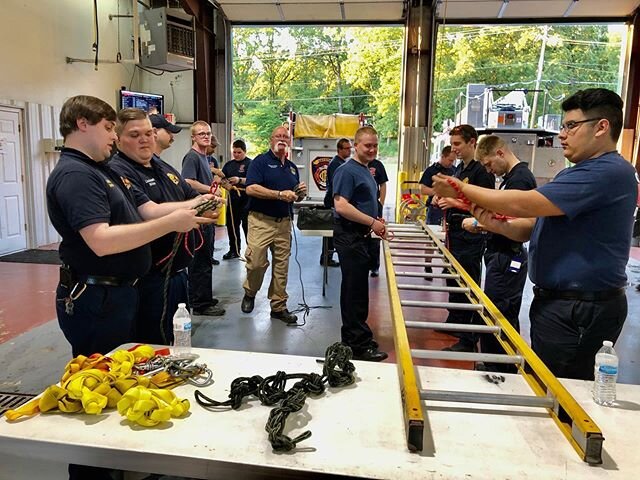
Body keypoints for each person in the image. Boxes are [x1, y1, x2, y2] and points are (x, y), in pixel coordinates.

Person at [46, 96, 214, 480]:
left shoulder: (100, 170)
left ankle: (121, 466)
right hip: (95, 298)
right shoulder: (77, 176)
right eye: (110, 128)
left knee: (118, 383)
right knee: (94, 392)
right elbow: (101, 240)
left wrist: (189, 208)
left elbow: (143, 210)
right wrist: (174, 224)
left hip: (118, 293)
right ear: (83, 124)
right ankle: (92, 474)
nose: (115, 136)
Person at [432, 88, 638, 380]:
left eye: (570, 126)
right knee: (548, 383)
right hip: (561, 304)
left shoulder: (607, 173)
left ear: (601, 127)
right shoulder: (575, 173)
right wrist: (484, 216)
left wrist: (461, 188)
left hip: (581, 307)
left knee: (562, 390)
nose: (562, 135)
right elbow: (529, 225)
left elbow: (524, 203)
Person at [110, 110, 218, 345]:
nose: (144, 139)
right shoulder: (119, 171)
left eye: (148, 133)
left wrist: (208, 205)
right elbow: (147, 211)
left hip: (177, 275)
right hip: (147, 279)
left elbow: (191, 195)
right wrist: (195, 204)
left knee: (176, 342)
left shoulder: (162, 167)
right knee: (150, 346)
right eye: (135, 134)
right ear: (118, 139)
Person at [461, 135, 537, 372]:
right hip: (501, 255)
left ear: (500, 153)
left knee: (498, 314)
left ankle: (499, 368)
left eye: (489, 164)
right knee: (498, 312)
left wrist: (477, 223)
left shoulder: (520, 181)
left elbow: (516, 223)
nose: (488, 170)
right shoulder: (511, 179)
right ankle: (498, 363)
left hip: (507, 257)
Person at [437, 124, 495, 352]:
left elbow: (485, 206)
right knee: (453, 280)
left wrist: (452, 202)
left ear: (472, 142)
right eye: (452, 144)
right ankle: (456, 321)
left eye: (458, 144)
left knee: (468, 285)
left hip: (470, 237)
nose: (454, 149)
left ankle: (469, 338)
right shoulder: (461, 169)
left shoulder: (481, 172)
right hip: (455, 235)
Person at [240, 126, 307, 323]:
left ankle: (278, 306)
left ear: (289, 142)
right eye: (278, 136)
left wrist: (299, 194)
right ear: (271, 139)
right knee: (257, 263)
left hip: (284, 224)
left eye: (285, 136)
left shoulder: (292, 168)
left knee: (282, 267)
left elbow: (293, 197)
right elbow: (251, 188)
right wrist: (279, 195)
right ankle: (250, 293)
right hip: (261, 221)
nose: (282, 139)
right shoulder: (260, 162)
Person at [333, 126, 388, 362]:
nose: (373, 149)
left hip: (362, 237)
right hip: (351, 236)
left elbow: (365, 200)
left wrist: (375, 220)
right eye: (368, 145)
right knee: (354, 292)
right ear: (356, 145)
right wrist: (371, 221)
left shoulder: (366, 170)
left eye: (375, 145)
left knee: (358, 290)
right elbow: (341, 206)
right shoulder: (347, 171)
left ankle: (355, 337)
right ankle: (357, 343)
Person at [181, 121, 225, 316]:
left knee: (205, 259)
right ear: (193, 137)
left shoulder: (204, 157)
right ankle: (201, 303)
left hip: (206, 216)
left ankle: (202, 296)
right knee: (200, 262)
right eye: (201, 134)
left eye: (208, 133)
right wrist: (211, 191)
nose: (206, 136)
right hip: (198, 217)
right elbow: (188, 181)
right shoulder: (192, 157)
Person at [321, 137, 353, 267]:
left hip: (334, 200)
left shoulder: (341, 163)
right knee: (330, 232)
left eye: (350, 148)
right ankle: (326, 258)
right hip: (332, 201)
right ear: (339, 150)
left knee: (331, 232)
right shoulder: (337, 164)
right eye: (347, 148)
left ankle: (327, 257)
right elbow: (338, 186)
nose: (349, 151)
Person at [221, 139, 252, 260]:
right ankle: (234, 250)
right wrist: (225, 184)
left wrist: (239, 180)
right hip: (233, 199)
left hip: (246, 200)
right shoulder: (229, 165)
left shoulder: (251, 164)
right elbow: (221, 178)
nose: (236, 154)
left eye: (239, 152)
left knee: (247, 226)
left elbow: (253, 180)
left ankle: (251, 251)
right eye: (234, 152)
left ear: (244, 151)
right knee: (232, 225)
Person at [419, 145, 457, 226]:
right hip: (435, 209)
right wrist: (439, 192)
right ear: (442, 156)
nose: (452, 163)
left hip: (450, 208)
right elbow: (423, 189)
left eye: (453, 160)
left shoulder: (455, 170)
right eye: (450, 160)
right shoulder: (430, 171)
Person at [366, 157, 389, 277]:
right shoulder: (355, 165)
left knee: (375, 235)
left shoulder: (378, 165)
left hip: (375, 204)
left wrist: (381, 202)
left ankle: (374, 266)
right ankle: (363, 263)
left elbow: (383, 184)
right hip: (360, 205)